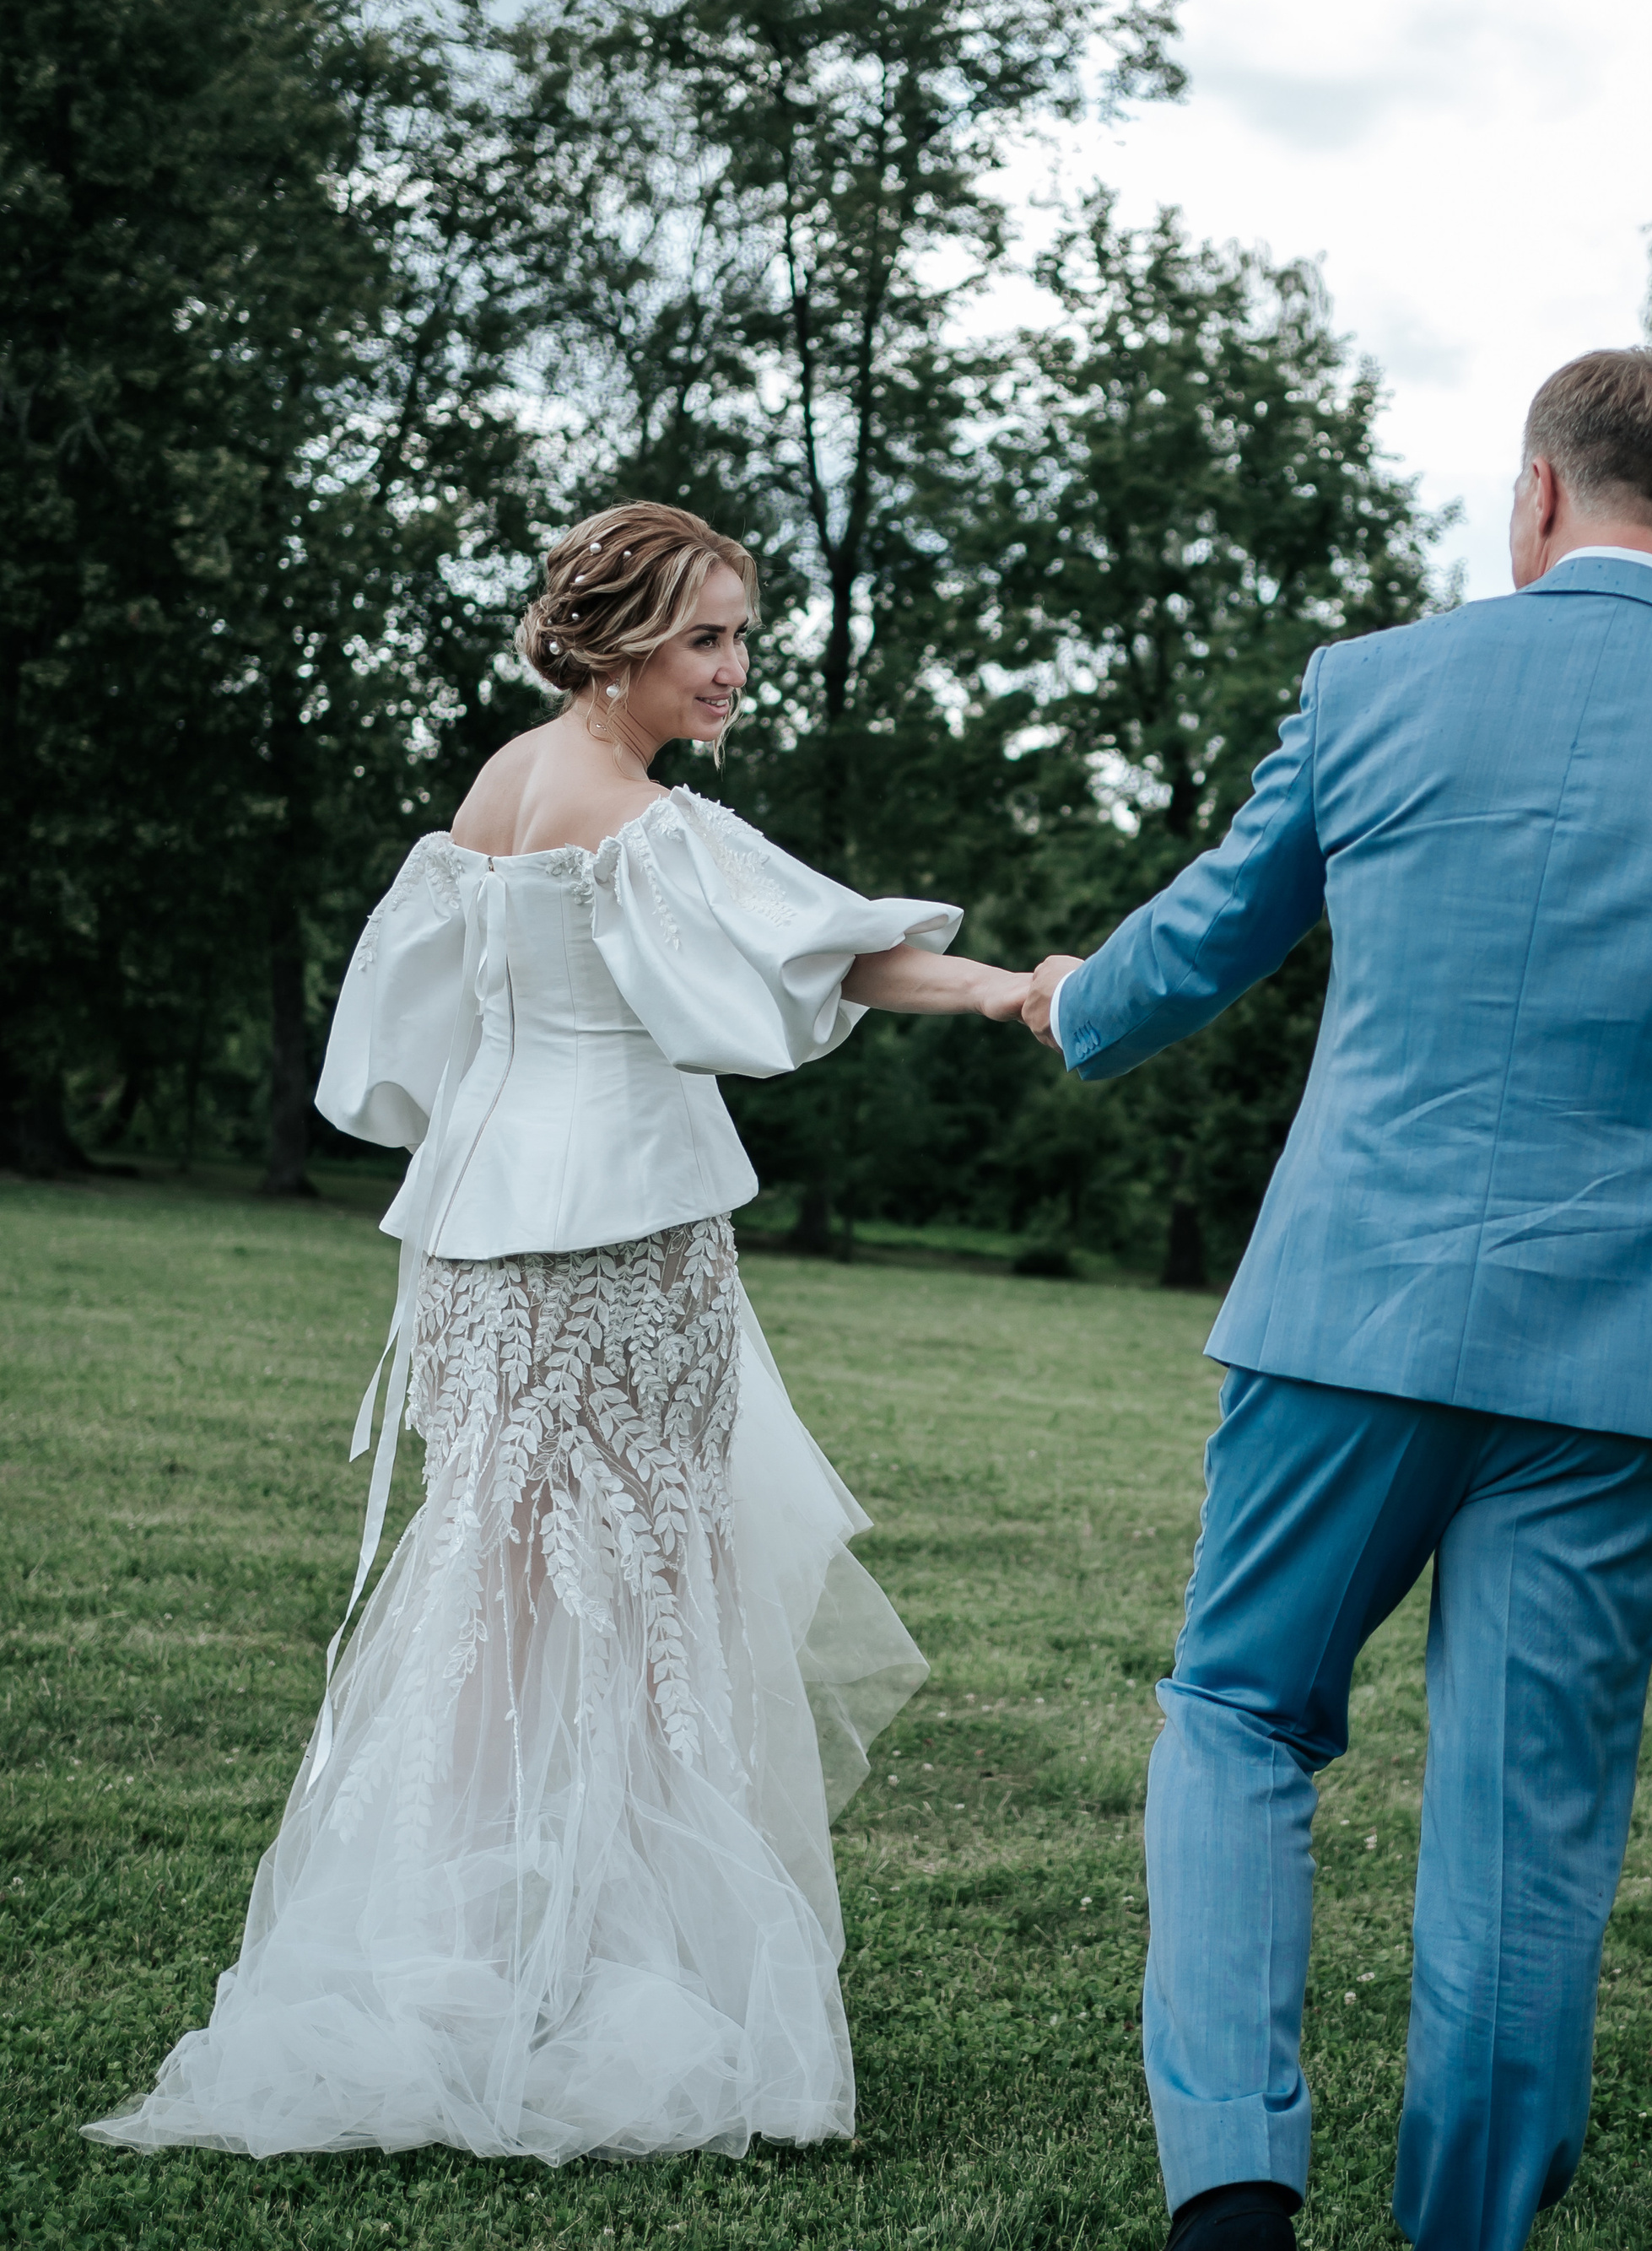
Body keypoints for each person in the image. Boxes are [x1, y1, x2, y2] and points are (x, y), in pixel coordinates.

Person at [1021, 350, 1652, 2251]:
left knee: (1239, 1710)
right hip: (1618, 1376)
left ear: (1538, 493)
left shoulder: (1371, 686)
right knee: (1524, 1832)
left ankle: (1232, 2190)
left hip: (1342, 1323)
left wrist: (1068, 1001)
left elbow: (1202, 938)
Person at [88, 500, 1028, 2163]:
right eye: (704, 638)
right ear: (618, 641)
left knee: (503, 1586)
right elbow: (837, 952)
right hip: (616, 1234)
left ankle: (465, 1955)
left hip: (478, 1237)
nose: (732, 669)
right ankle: (610, 1975)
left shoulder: (501, 786)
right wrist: (1008, 986)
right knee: (643, 1590)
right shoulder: (643, 817)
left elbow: (422, 1024)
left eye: (741, 637)